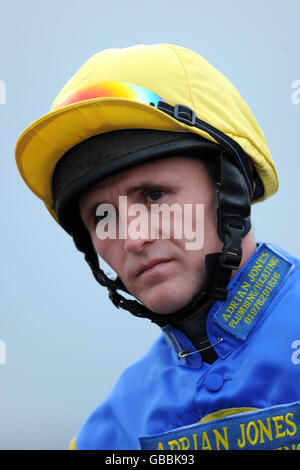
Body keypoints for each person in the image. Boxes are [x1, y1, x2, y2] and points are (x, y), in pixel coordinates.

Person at [15, 43, 300, 451]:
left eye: (153, 195)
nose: (132, 238)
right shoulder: (113, 428)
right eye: (101, 216)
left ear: (232, 190)